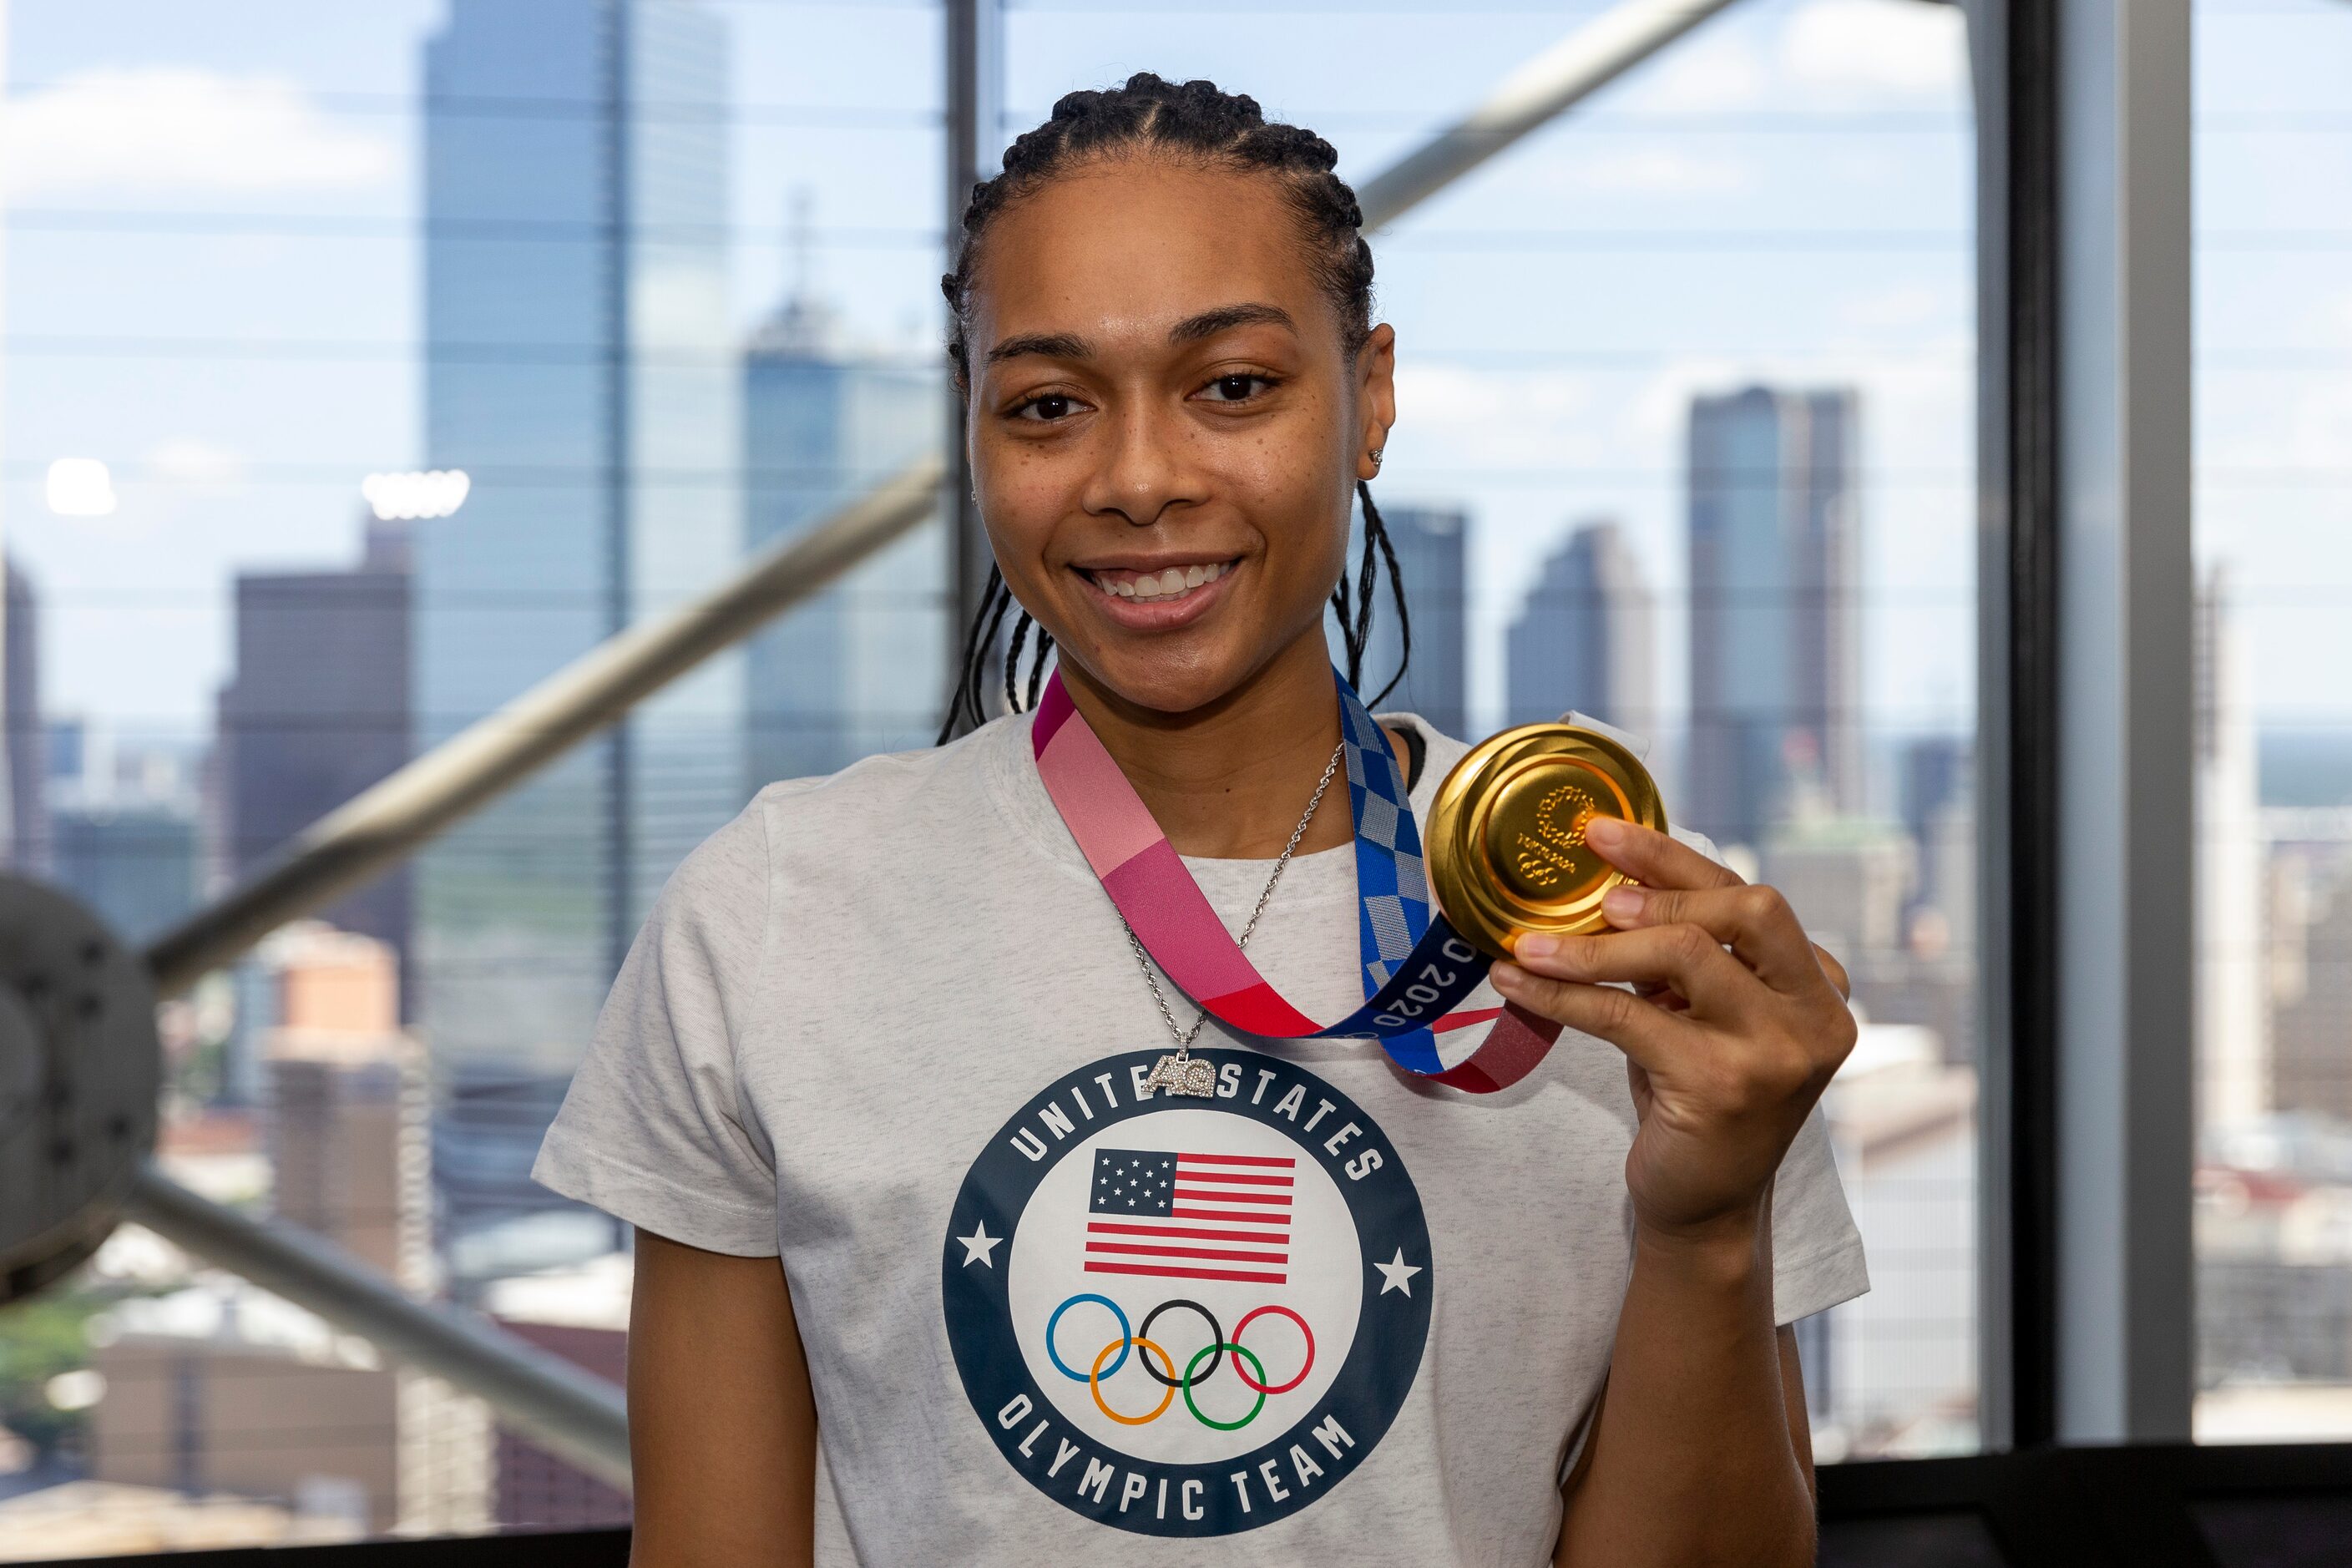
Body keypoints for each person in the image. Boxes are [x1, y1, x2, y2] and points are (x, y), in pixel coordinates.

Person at [536, 73, 1867, 1567]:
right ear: (973, 437)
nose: (1138, 478)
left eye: (1231, 385)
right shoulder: (775, 913)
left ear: (1367, 396)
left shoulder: (1635, 941)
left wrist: (1703, 1227)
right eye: (1047, 405)